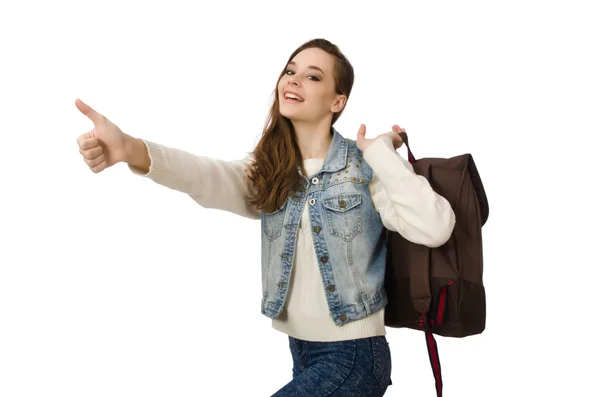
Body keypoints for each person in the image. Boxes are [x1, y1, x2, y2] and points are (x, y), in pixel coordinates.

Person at [75, 38, 455, 396]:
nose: (294, 80)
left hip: (354, 355)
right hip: (301, 353)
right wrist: (131, 149)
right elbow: (205, 175)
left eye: (313, 76)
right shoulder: (273, 169)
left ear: (337, 102)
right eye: (290, 70)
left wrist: (381, 153)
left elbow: (436, 227)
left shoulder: (364, 166)